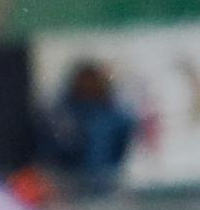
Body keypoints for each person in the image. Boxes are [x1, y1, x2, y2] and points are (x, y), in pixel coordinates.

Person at [40, 61, 137, 198]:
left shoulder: (115, 116)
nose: (89, 85)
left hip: (107, 182)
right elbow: (54, 150)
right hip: (69, 185)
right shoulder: (64, 115)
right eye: (85, 81)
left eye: (93, 81)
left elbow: (120, 145)